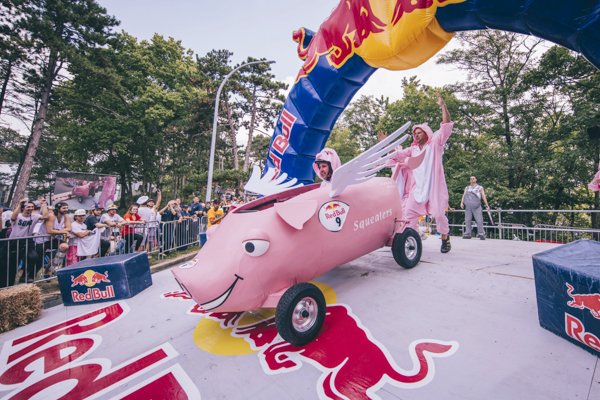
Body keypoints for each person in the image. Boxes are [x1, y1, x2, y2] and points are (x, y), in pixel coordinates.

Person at [377, 92, 454, 253]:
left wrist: (443, 105)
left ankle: (445, 239)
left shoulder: (435, 144)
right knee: (407, 215)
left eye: (419, 132)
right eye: (415, 133)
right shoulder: (412, 150)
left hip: (434, 189)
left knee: (439, 215)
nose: (416, 135)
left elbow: (446, 125)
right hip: (417, 190)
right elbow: (397, 155)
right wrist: (385, 144)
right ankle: (411, 240)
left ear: (426, 134)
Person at [0, 199, 48, 286]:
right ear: (23, 208)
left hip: (27, 240)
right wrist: (19, 204)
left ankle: (25, 276)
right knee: (11, 263)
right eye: (28, 207)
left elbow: (45, 216)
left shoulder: (34, 216)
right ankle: (7, 283)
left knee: (33, 256)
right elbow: (13, 218)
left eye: (32, 207)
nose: (30, 208)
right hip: (14, 241)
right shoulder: (18, 216)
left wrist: (44, 204)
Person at [36, 202, 71, 276]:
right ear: (58, 209)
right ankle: (31, 276)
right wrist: (63, 231)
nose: (66, 210)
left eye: (67, 208)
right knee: (38, 260)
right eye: (64, 208)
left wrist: (59, 232)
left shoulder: (65, 216)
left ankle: (51, 269)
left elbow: (69, 228)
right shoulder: (51, 216)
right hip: (42, 240)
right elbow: (49, 231)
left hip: (52, 240)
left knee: (64, 246)